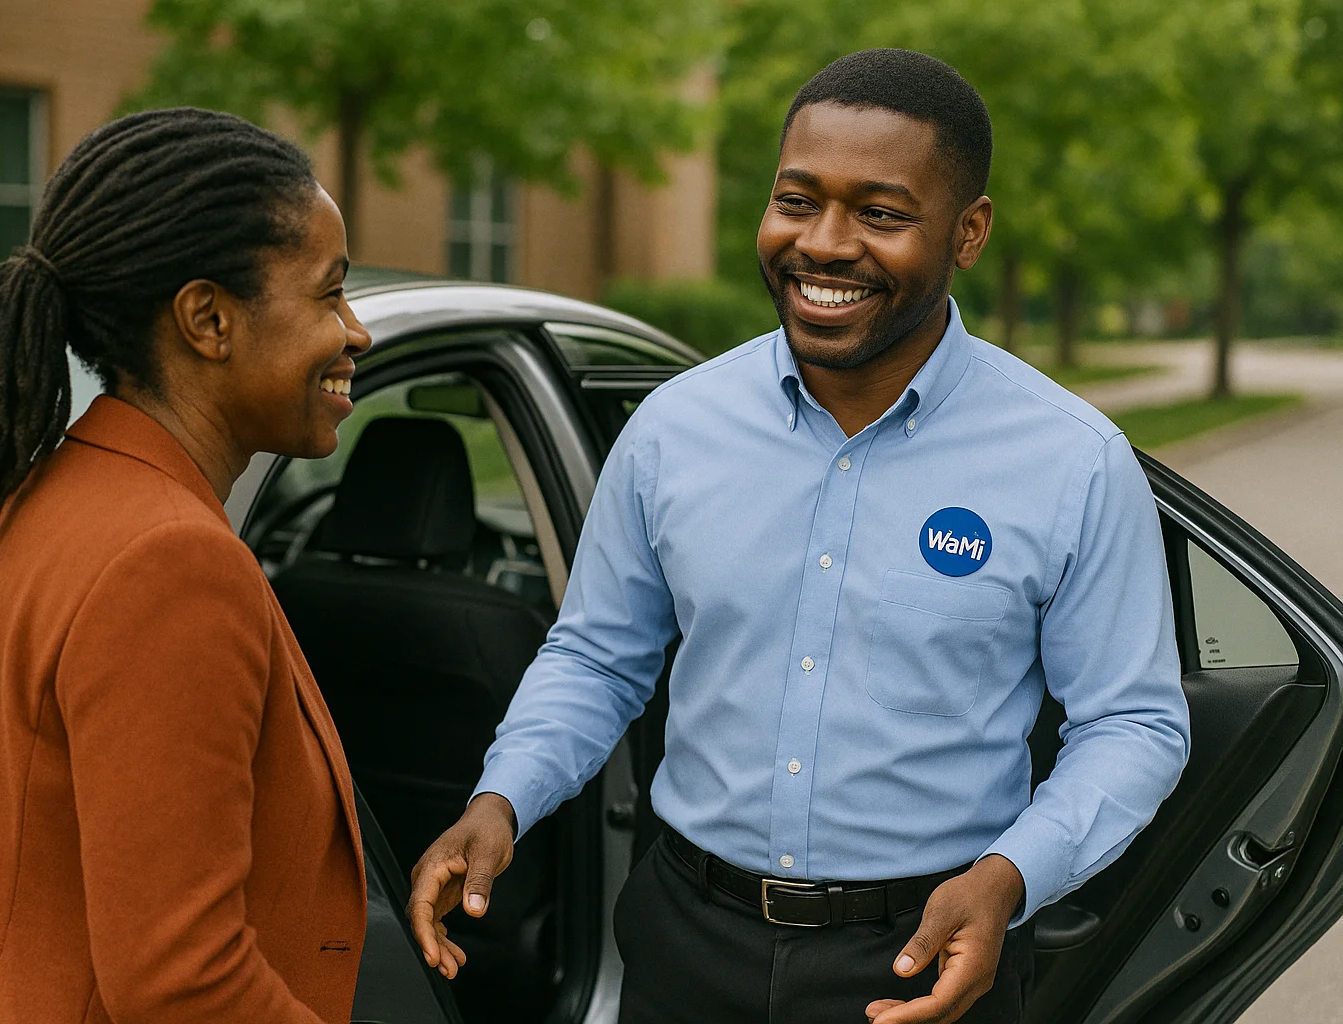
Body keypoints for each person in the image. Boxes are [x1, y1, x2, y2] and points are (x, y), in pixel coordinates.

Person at [408, 49, 1191, 1024]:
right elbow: (600, 655)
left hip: (928, 952)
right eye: (797, 199)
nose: (824, 244)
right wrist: (502, 798)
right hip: (684, 938)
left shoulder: (1072, 460)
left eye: (881, 213)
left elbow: (1133, 726)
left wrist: (1009, 877)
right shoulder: (673, 431)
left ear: (970, 231)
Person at [0, 108, 372, 1024]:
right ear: (209, 319)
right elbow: (184, 981)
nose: (355, 332)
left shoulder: (42, 496)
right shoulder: (171, 561)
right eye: (328, 294)